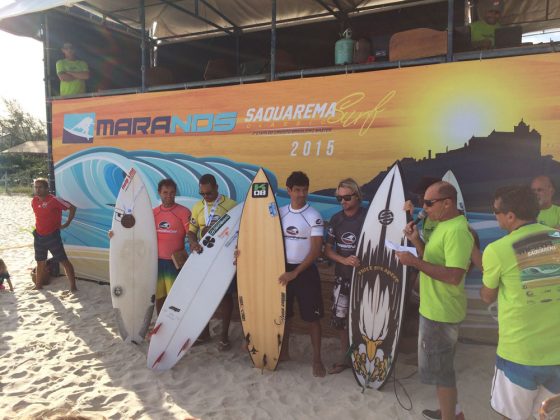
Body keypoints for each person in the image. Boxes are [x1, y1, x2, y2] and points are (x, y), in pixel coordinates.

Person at [480, 185, 560, 420]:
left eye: (495, 212)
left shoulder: (497, 249)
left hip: (519, 351)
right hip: (557, 351)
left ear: (511, 215)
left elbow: (487, 295)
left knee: (512, 416)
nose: (494, 216)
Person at [395, 181, 473, 420]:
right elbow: (433, 257)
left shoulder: (458, 231)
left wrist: (414, 262)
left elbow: (454, 275)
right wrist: (417, 240)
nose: (424, 208)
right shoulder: (443, 224)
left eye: (429, 203)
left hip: (442, 312)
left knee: (442, 373)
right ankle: (452, 411)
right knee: (441, 369)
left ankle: (451, 416)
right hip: (434, 308)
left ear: (447, 203)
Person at [278, 171, 326, 377]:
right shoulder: (279, 213)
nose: (301, 194)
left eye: (304, 190)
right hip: (283, 270)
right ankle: (284, 352)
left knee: (312, 319)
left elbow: (315, 250)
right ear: (288, 190)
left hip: (305, 272)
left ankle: (317, 359)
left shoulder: (313, 216)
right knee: (284, 315)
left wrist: (295, 273)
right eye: (296, 190)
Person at [187, 174, 237, 350]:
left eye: (208, 193)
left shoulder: (231, 205)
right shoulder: (197, 207)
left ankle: (224, 337)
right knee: (202, 296)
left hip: (224, 258)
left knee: (225, 296)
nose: (205, 197)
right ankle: (204, 333)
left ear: (216, 188)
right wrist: (193, 242)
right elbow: (191, 230)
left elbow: (238, 231)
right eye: (202, 194)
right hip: (204, 257)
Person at [324, 178, 366, 374]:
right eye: (339, 198)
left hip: (367, 278)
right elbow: (328, 249)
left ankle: (364, 356)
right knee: (341, 319)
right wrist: (344, 260)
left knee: (364, 318)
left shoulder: (368, 218)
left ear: (357, 196)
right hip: (343, 277)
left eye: (347, 197)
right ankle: (345, 356)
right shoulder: (336, 219)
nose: (343, 202)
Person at [31, 178, 77, 291]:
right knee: (40, 261)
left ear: (47, 188)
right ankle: (38, 285)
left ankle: (73, 287)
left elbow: (72, 208)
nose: (37, 189)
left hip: (52, 236)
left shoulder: (54, 200)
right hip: (39, 236)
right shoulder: (34, 201)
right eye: (36, 187)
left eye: (40, 187)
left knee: (64, 261)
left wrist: (67, 223)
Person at [153, 179, 191, 314]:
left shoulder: (183, 212)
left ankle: (174, 325)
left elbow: (191, 235)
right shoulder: (153, 213)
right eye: (165, 192)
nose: (168, 195)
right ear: (159, 193)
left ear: (175, 193)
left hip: (175, 263)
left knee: (175, 298)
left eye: (172, 192)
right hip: (156, 262)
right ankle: (159, 322)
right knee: (159, 296)